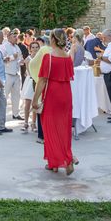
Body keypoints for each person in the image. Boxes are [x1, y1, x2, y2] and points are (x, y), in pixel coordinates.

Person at [32, 28, 76, 176]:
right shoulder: (68, 57)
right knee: (63, 128)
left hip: (52, 94)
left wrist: (35, 99)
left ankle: (61, 161)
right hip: (66, 95)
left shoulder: (48, 57)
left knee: (50, 129)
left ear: (52, 40)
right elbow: (69, 76)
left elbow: (42, 80)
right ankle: (57, 162)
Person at [0, 31, 23, 121]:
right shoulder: (4, 46)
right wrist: (13, 57)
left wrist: (21, 61)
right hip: (7, 73)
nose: (16, 38)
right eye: (14, 36)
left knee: (17, 95)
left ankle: (16, 113)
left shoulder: (17, 47)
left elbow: (20, 57)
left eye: (17, 36)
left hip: (17, 73)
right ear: (9, 37)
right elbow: (2, 60)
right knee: (4, 94)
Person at [21, 40, 41, 131]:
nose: (35, 49)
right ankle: (25, 122)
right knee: (28, 103)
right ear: (30, 49)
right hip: (30, 81)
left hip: (38, 81)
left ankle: (33, 123)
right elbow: (29, 72)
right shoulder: (28, 59)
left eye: (37, 47)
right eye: (33, 47)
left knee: (35, 103)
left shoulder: (41, 58)